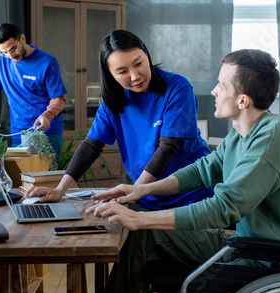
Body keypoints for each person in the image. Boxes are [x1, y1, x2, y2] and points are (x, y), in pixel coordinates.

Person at [40, 49, 280, 293]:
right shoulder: (244, 131)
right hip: (244, 246)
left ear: (243, 100)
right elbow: (202, 170)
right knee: (142, 231)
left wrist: (139, 219)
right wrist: (139, 191)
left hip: (263, 259)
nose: (214, 91)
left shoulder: (270, 139)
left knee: (142, 228)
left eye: (221, 85)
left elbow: (224, 208)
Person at [26, 30, 213, 210]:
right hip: (146, 196)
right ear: (110, 75)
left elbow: (168, 147)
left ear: (146, 55)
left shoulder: (178, 87)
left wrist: (134, 192)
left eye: (139, 63)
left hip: (190, 195)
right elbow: (91, 146)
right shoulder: (113, 102)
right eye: (122, 71)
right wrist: (60, 190)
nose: (135, 76)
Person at [0, 22, 67, 162]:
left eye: (13, 49)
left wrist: (47, 116)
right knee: (22, 181)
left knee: (43, 181)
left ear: (22, 39)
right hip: (19, 133)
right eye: (4, 52)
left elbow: (59, 99)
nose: (11, 56)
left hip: (46, 133)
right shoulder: (3, 61)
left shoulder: (47, 62)